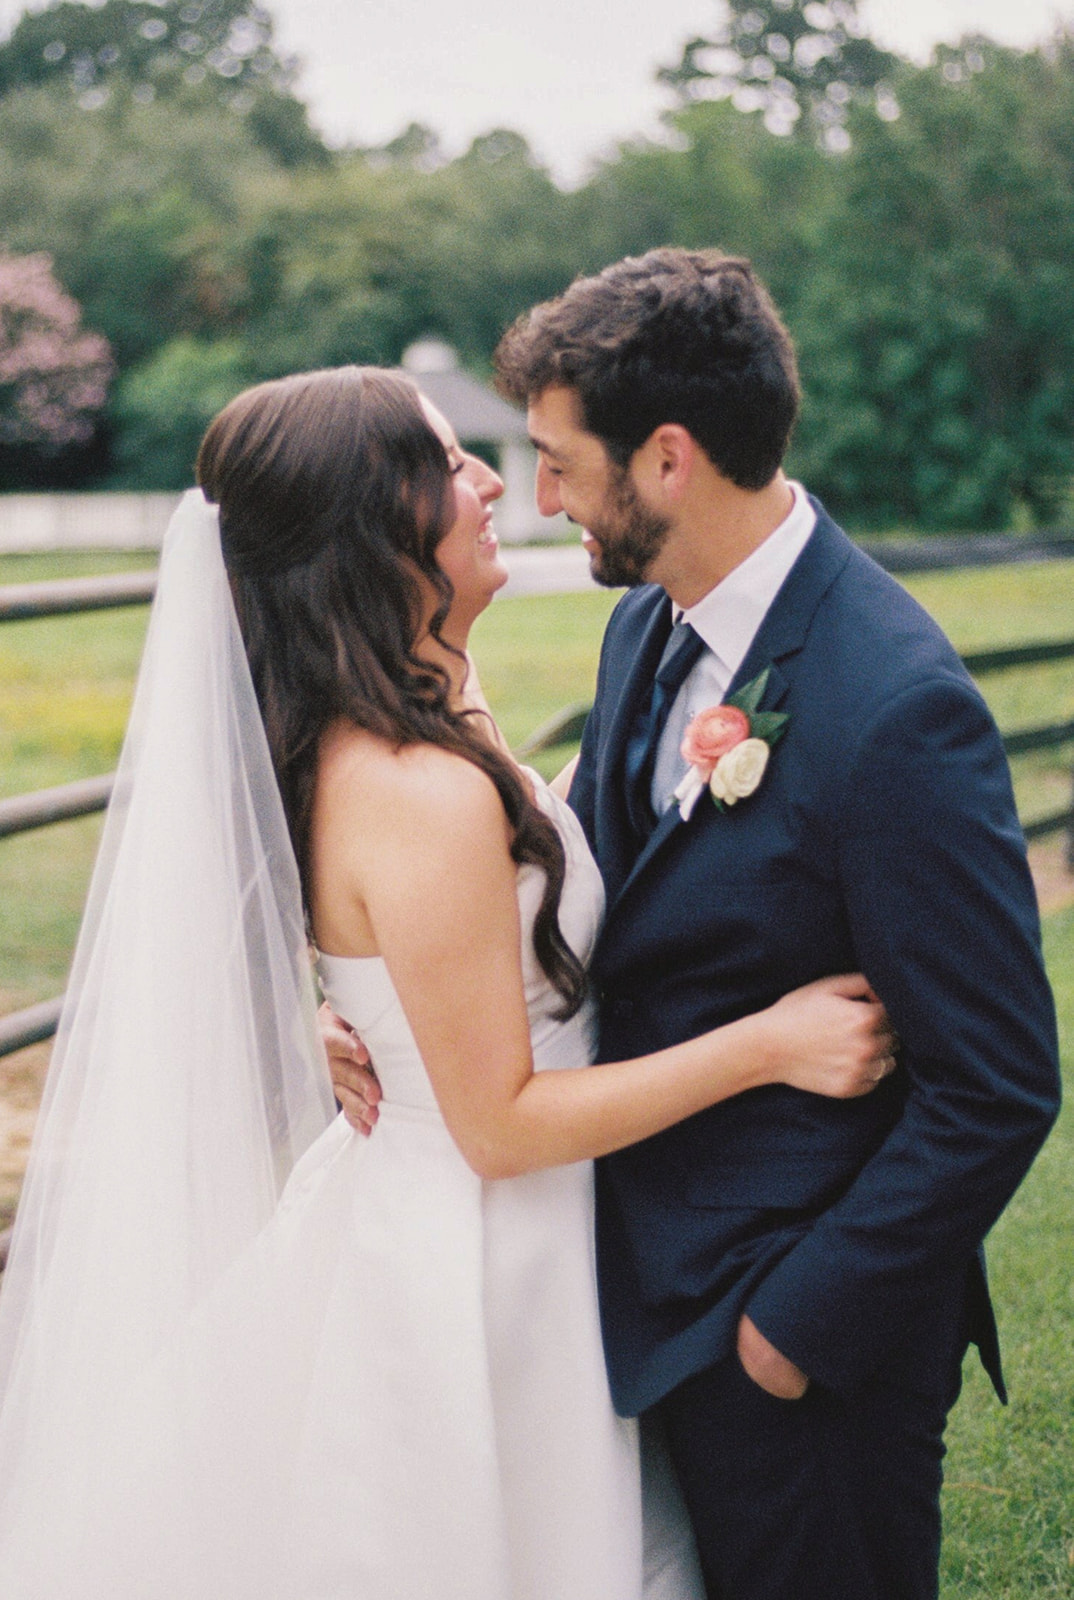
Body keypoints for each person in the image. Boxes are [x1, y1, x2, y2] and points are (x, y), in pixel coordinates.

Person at [0, 365, 896, 1599]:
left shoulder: (425, 703)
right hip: (476, 1262)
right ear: (373, 528)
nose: (490, 482)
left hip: (499, 1222)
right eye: (446, 463)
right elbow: (501, 1124)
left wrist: (351, 1008)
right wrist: (772, 1043)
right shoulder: (414, 789)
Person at [330, 251, 1063, 1600]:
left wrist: (793, 1329)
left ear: (666, 460)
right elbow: (575, 882)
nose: (537, 497)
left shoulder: (894, 707)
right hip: (628, 1290)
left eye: (557, 461)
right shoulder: (649, 629)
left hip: (794, 1351)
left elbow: (1003, 1080)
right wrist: (357, 994)